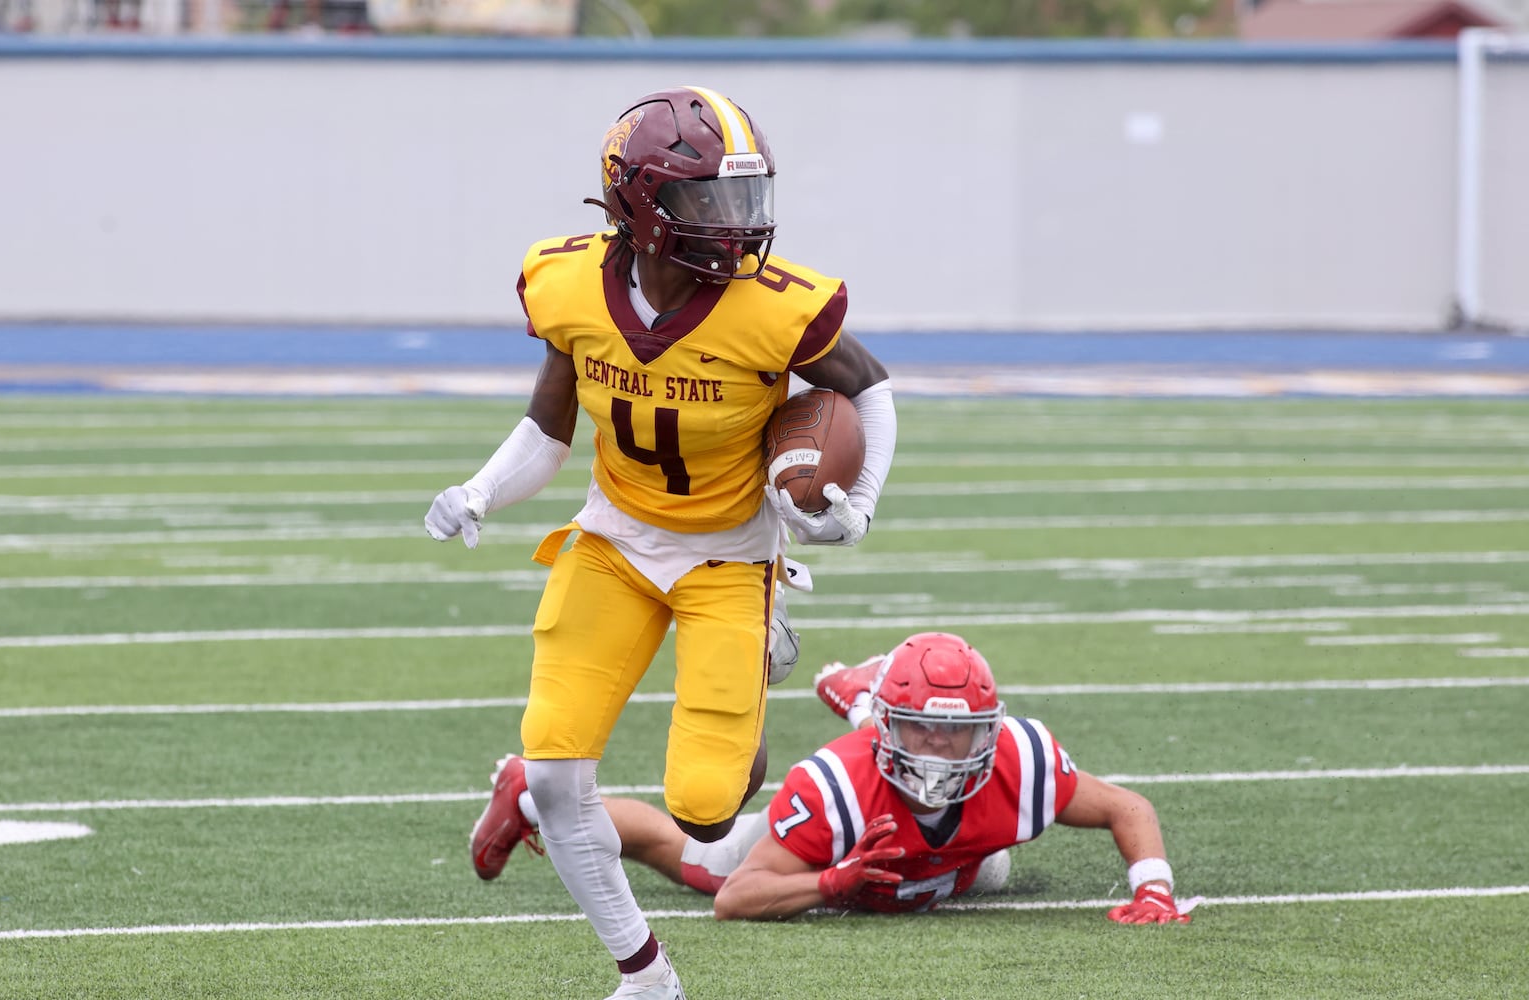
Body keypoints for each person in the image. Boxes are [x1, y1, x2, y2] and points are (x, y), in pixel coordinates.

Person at [425, 85, 897, 1000]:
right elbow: (549, 432)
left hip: (729, 555)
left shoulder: (774, 307)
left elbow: (869, 388)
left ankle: (759, 642)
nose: (736, 224)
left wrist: (859, 503)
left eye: (744, 197)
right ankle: (645, 976)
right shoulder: (567, 287)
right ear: (640, 207)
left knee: (710, 812)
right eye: (709, 200)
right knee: (559, 777)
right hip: (614, 540)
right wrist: (480, 489)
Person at [471, 632, 1195, 927]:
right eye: (920, 728)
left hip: (942, 861)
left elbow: (1127, 808)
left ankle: (860, 693)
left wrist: (1154, 889)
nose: (943, 750)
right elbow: (739, 901)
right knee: (698, 855)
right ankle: (534, 793)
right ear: (890, 730)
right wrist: (830, 882)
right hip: (835, 849)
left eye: (960, 732)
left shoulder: (1021, 757)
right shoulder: (834, 787)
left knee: (995, 868)